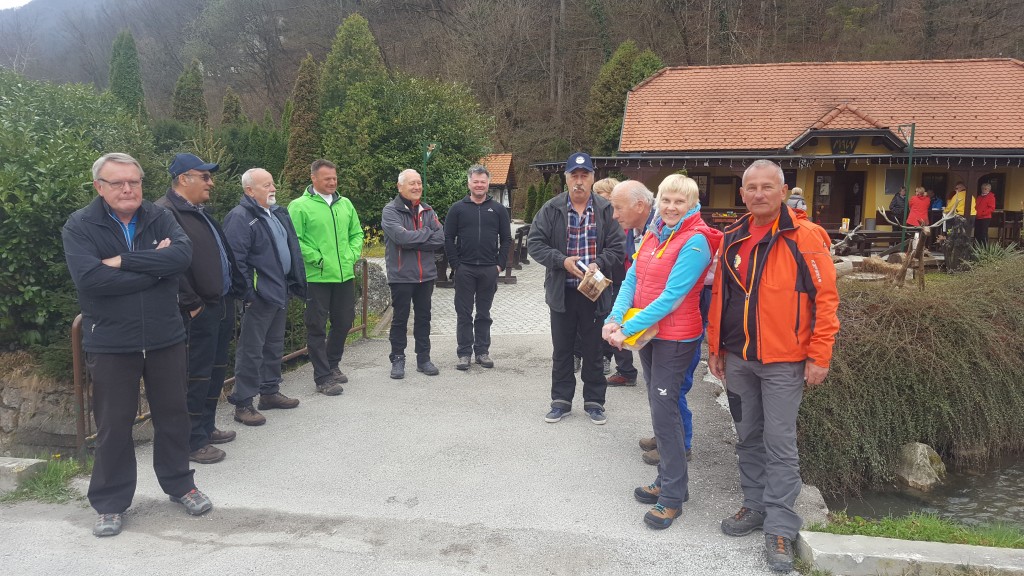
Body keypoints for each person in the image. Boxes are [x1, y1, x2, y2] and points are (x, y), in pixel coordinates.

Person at [63, 152, 213, 538]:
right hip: (111, 341)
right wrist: (153, 269)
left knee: (174, 416)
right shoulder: (81, 225)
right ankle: (110, 503)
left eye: (134, 181)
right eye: (118, 182)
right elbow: (91, 280)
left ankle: (180, 485)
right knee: (113, 424)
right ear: (99, 187)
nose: (128, 189)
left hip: (165, 336)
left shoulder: (159, 216)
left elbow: (180, 258)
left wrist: (120, 261)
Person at [707, 159, 839, 572]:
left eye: (768, 187)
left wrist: (819, 355)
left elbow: (826, 300)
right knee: (747, 436)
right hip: (739, 358)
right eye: (752, 187)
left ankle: (780, 525)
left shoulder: (806, 237)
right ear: (742, 194)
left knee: (779, 443)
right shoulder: (733, 237)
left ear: (783, 192)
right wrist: (715, 347)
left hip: (785, 361)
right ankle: (755, 505)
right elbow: (721, 297)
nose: (759, 194)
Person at [604, 174, 721, 530]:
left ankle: (672, 496)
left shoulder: (696, 241)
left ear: (693, 204)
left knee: (666, 411)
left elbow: (672, 297)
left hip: (676, 338)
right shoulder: (655, 233)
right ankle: (669, 481)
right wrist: (614, 317)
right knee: (659, 407)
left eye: (679, 201)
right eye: (666, 200)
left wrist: (626, 330)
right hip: (650, 335)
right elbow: (633, 279)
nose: (671, 207)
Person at [155, 153, 242, 465]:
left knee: (214, 371)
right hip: (197, 310)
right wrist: (192, 305)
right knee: (195, 376)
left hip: (219, 303)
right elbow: (167, 265)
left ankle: (205, 427)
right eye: (204, 176)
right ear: (183, 179)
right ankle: (191, 441)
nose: (211, 182)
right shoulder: (164, 213)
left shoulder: (197, 212)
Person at [527, 152, 625, 425]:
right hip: (563, 292)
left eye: (584, 176)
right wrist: (561, 261)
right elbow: (535, 244)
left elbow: (618, 247)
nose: (579, 181)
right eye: (574, 176)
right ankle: (561, 401)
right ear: (566, 178)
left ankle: (594, 402)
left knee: (594, 350)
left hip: (595, 292)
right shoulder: (551, 208)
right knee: (562, 350)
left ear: (593, 178)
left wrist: (599, 263)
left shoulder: (605, 209)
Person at [223, 168, 306, 426]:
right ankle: (243, 403)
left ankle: (269, 392)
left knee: (273, 345)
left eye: (272, 184)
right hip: (259, 296)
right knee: (251, 350)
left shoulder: (277, 213)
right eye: (266, 185)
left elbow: (290, 248)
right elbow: (235, 260)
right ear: (250, 190)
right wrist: (249, 293)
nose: (273, 188)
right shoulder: (240, 217)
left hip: (279, 290)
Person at [288, 159, 364, 396]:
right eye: (327, 179)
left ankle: (332, 364)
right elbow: (295, 240)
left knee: (344, 321)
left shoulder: (345, 204)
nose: (332, 182)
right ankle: (322, 377)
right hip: (317, 277)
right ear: (313, 178)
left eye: (334, 178)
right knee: (317, 327)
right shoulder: (299, 206)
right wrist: (318, 259)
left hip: (344, 275)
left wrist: (351, 255)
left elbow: (357, 233)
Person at [444, 165, 512, 370]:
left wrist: (499, 265)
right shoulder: (457, 209)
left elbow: (506, 239)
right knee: (464, 313)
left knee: (483, 313)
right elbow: (448, 238)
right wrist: (456, 265)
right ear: (469, 183)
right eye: (476, 181)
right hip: (465, 268)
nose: (479, 185)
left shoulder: (498, 210)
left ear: (488, 184)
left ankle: (482, 352)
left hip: (489, 269)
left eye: (483, 181)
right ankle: (464, 353)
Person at [382, 169, 445, 379]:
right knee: (400, 319)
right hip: (401, 275)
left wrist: (414, 239)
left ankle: (423, 359)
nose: (417, 187)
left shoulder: (427, 210)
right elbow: (401, 239)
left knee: (424, 318)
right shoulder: (390, 211)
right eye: (412, 183)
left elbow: (440, 238)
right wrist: (426, 233)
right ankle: (397, 359)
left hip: (426, 275)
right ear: (400, 187)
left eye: (419, 183)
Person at [593, 177, 623, 376]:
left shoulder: (622, 219)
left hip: (618, 276)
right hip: (595, 275)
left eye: (606, 199)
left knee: (610, 316)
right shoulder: (593, 218)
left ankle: (606, 357)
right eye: (598, 198)